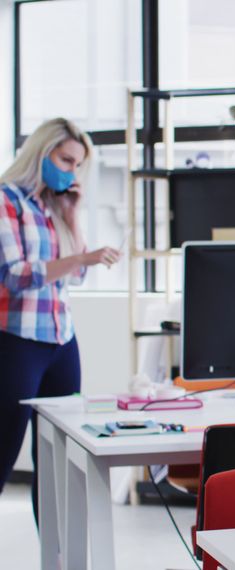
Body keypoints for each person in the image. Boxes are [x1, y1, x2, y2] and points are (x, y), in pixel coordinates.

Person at [0, 118, 121, 514]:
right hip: (17, 341)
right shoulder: (7, 200)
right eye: (65, 160)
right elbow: (15, 275)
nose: (71, 171)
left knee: (54, 462)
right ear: (41, 152)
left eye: (77, 165)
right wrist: (80, 257)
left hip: (61, 340)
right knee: (4, 450)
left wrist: (72, 217)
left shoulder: (55, 205)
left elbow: (79, 273)